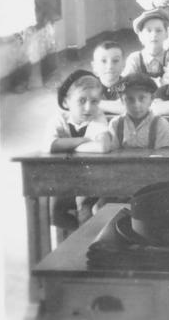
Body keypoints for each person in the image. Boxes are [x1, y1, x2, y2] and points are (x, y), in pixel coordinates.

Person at [48, 70, 112, 230]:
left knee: (86, 213)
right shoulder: (59, 119)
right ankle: (79, 235)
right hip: (63, 178)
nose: (88, 107)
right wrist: (85, 140)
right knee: (54, 215)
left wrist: (67, 144)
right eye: (81, 100)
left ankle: (85, 244)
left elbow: (103, 147)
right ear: (66, 101)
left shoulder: (98, 117)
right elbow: (52, 145)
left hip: (92, 178)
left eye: (94, 101)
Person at [108, 73, 169, 149]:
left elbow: (164, 156)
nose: (136, 105)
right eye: (130, 99)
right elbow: (112, 156)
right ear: (122, 100)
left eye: (142, 98)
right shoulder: (116, 124)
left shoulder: (161, 124)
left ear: (151, 99)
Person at [122, 9, 169, 84]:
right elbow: (125, 83)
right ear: (141, 36)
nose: (154, 35)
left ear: (166, 34)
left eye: (159, 30)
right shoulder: (135, 59)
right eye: (149, 31)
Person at [91, 40, 126, 115]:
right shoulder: (87, 86)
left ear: (123, 64)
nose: (110, 66)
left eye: (115, 61)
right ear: (94, 66)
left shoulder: (130, 86)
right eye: (103, 61)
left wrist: (92, 103)